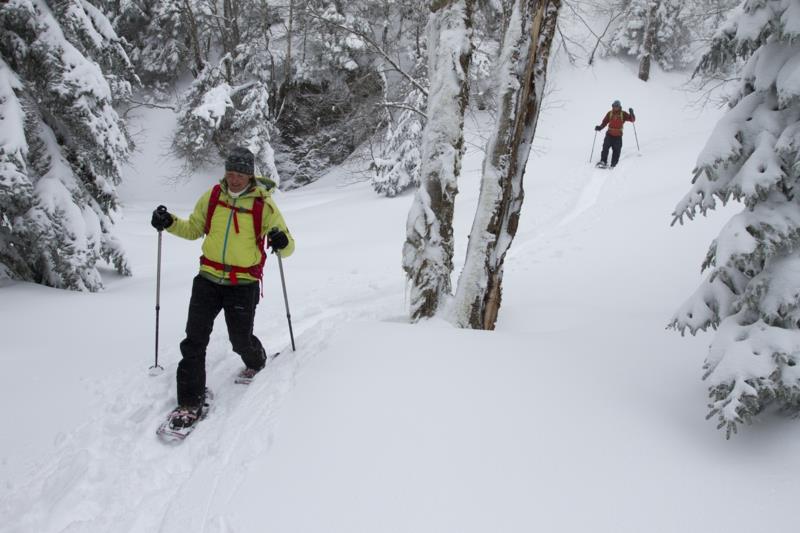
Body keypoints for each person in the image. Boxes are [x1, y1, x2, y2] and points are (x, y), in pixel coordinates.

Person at [150, 146, 295, 430]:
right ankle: (190, 401)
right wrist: (168, 223)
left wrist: (280, 241)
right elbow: (193, 229)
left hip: (242, 284)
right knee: (194, 340)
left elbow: (288, 247)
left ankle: (256, 358)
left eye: (240, 173)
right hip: (207, 279)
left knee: (240, 340)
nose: (234, 179)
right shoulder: (214, 196)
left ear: (250, 175)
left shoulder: (262, 204)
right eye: (230, 172)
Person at [594, 100, 635, 168]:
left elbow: (632, 120)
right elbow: (605, 122)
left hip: (618, 136)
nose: (615, 107)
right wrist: (600, 127)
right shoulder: (610, 113)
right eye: (614, 106)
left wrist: (632, 113)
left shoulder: (623, 114)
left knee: (616, 150)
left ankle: (614, 164)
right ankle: (603, 161)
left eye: (616, 106)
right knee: (605, 148)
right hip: (609, 135)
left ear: (619, 106)